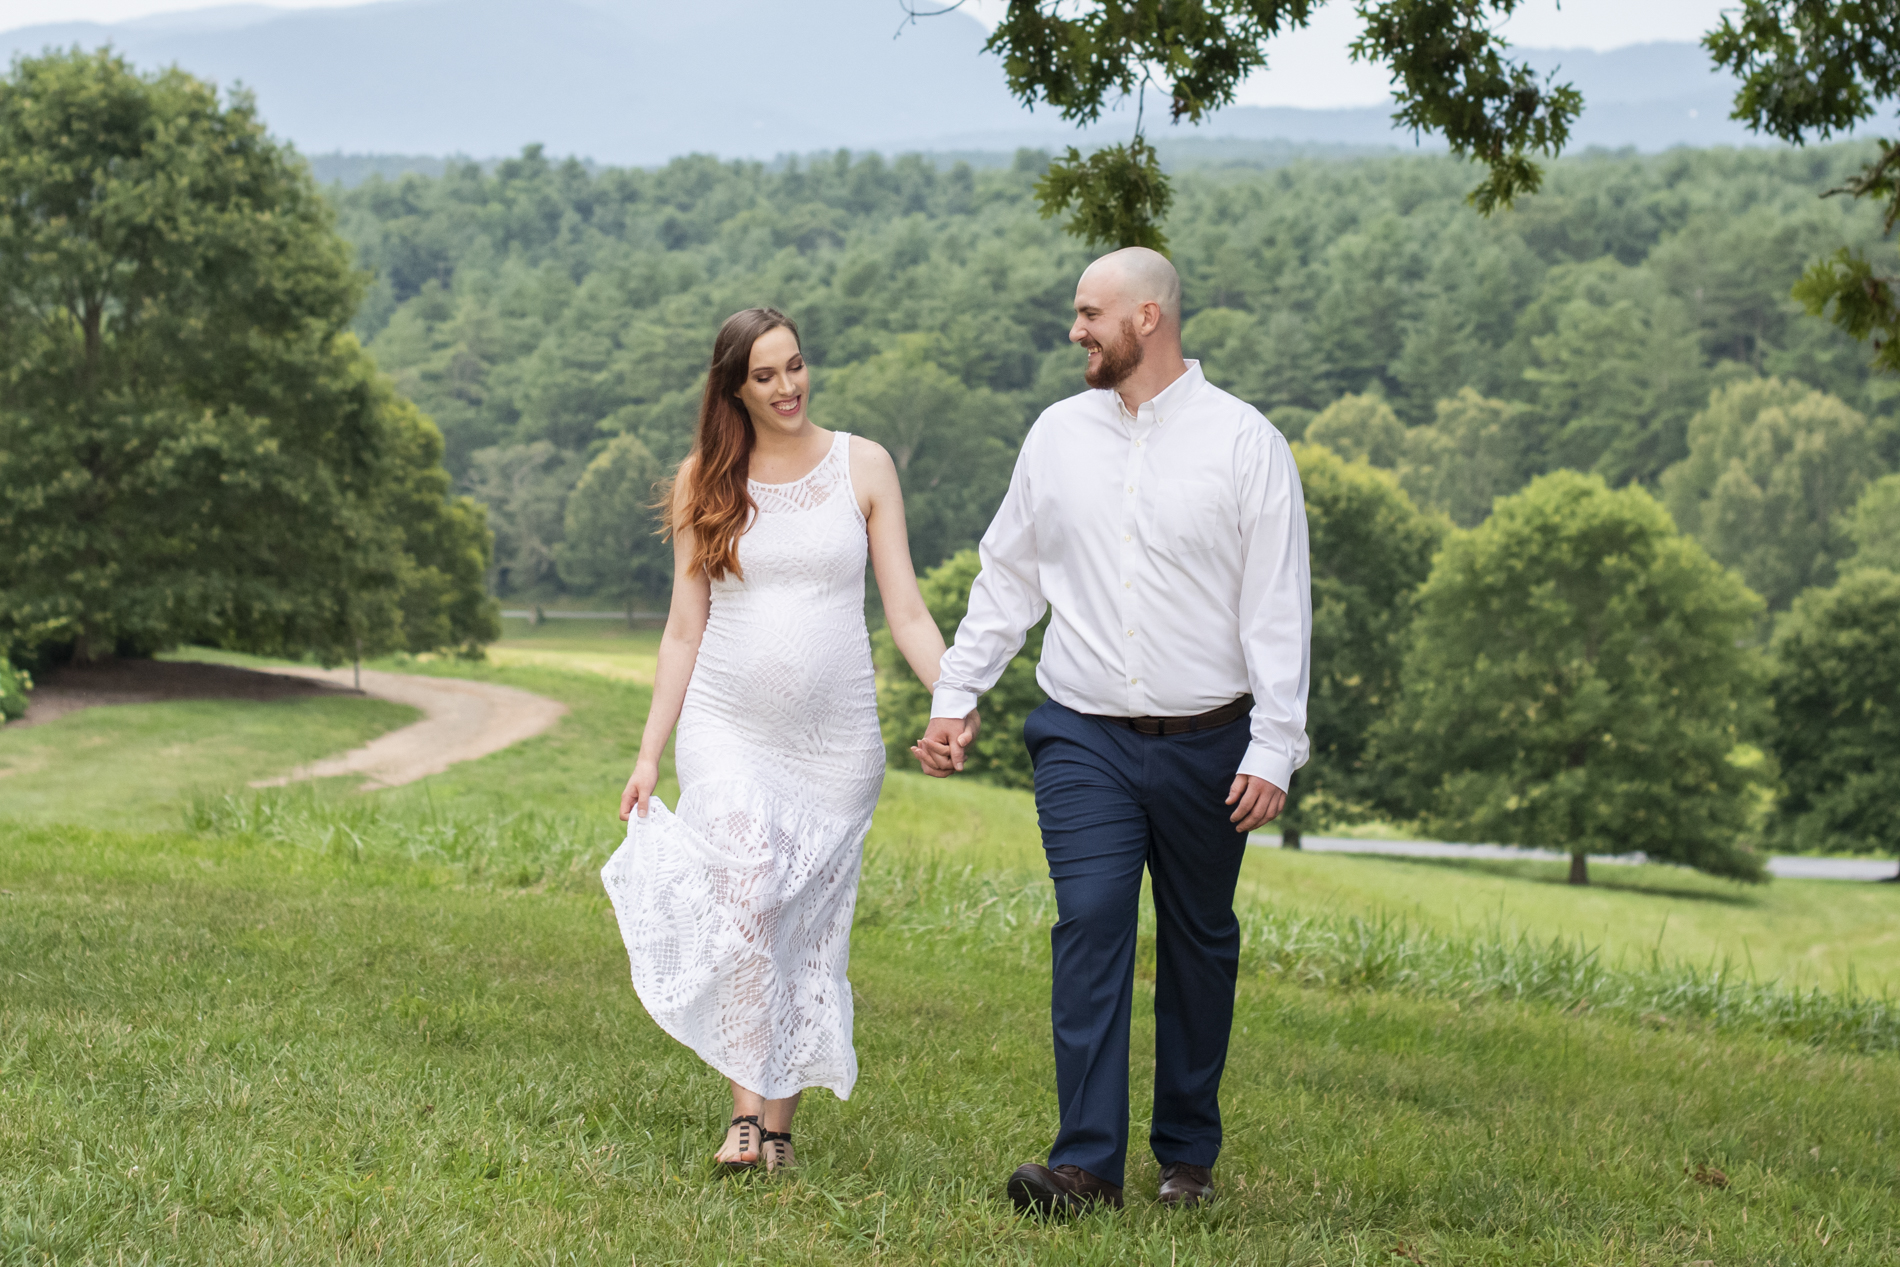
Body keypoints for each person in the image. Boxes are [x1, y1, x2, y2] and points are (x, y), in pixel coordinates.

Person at [913, 248, 1312, 1213]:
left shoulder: (1245, 443)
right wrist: (956, 694)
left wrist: (1274, 744)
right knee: (1090, 920)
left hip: (1213, 742)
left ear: (1147, 317)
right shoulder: (1055, 436)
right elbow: (1007, 576)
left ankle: (1186, 1155)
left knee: (1198, 940)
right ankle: (1085, 1163)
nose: (1074, 330)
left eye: (1089, 313)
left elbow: (1278, 606)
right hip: (1083, 734)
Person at [602, 307, 953, 1173]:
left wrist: (955, 695)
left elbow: (904, 607)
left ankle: (783, 1129)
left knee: (808, 927)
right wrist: (650, 752)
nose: (789, 386)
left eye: (795, 366)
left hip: (837, 743)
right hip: (728, 725)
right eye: (766, 376)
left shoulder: (862, 465)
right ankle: (745, 1117)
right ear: (734, 388)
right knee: (751, 891)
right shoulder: (706, 481)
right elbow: (684, 628)